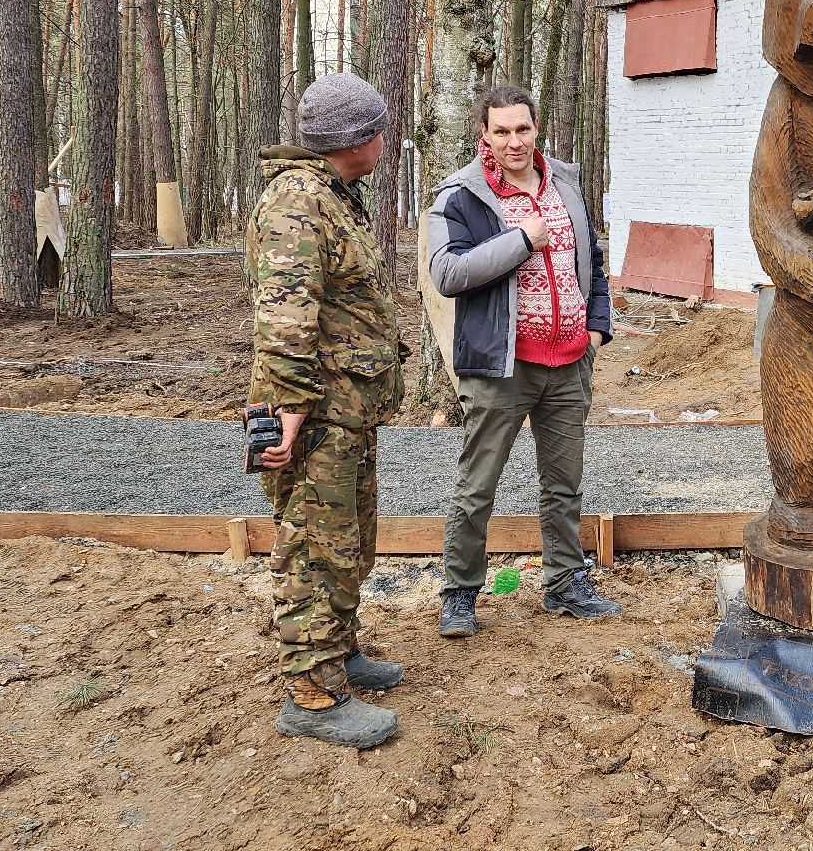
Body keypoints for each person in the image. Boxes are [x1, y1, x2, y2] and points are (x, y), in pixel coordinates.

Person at [423, 84, 618, 638]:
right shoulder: (461, 195)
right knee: (476, 486)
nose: (514, 141)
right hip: (500, 365)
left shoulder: (565, 184)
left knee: (564, 485)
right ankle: (459, 593)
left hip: (569, 361)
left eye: (523, 129)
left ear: (537, 129)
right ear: (483, 133)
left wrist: (598, 323)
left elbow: (592, 257)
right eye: (501, 130)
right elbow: (449, 274)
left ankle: (564, 583)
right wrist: (520, 241)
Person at [247, 72, 405, 749]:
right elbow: (285, 319)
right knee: (313, 551)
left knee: (346, 543)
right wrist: (287, 414)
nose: (383, 140)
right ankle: (311, 695)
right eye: (378, 129)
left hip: (343, 409)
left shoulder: (334, 196)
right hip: (311, 415)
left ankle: (339, 656)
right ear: (358, 140)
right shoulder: (298, 205)